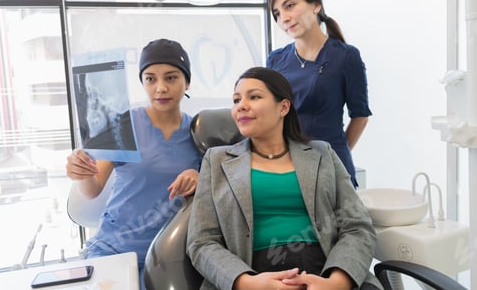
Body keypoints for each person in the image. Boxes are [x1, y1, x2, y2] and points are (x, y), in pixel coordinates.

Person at [186, 67, 382, 290]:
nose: (241, 105)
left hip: (326, 268)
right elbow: (201, 242)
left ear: (284, 107)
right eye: (236, 99)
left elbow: (357, 225)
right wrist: (247, 282)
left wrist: (336, 282)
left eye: (254, 96)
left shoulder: (322, 153)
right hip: (252, 273)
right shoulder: (217, 160)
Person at [65, 38, 203, 289]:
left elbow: (215, 193)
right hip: (114, 247)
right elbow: (92, 188)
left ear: (187, 81)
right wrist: (81, 172)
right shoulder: (123, 124)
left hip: (168, 255)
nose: (160, 88)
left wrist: (200, 177)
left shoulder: (199, 134)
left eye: (171, 78)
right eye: (150, 79)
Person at [266, 0, 372, 188]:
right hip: (285, 167)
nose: (283, 18)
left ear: (316, 5)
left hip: (330, 169)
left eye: (290, 6)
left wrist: (333, 154)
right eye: (277, 13)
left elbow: (360, 115)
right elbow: (271, 116)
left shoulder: (345, 56)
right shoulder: (275, 60)